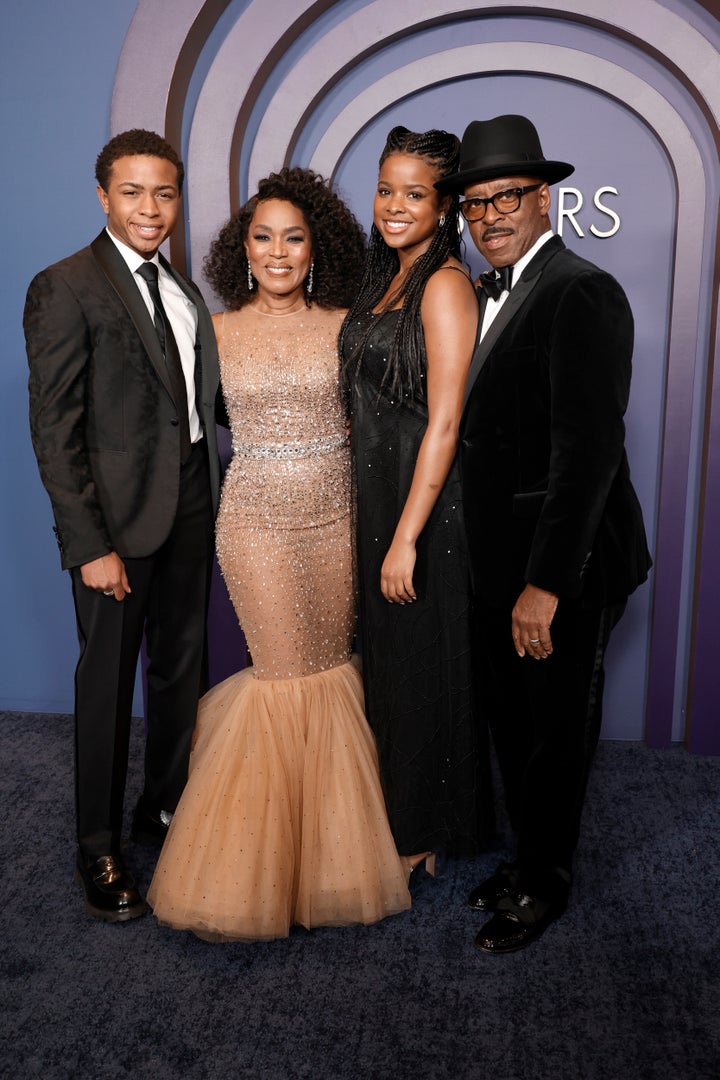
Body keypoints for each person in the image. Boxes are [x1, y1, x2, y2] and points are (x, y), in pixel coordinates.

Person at [147, 167, 411, 941]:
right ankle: (259, 875)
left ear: (317, 247)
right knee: (284, 674)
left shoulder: (346, 326)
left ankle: (327, 864)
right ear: (242, 249)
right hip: (256, 520)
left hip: (336, 518)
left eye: (293, 237)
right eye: (262, 237)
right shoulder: (214, 332)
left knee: (331, 668)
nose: (277, 252)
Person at [435, 114, 652, 952]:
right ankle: (527, 860)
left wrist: (547, 584)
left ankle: (546, 883)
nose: (490, 216)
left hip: (566, 565)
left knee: (556, 734)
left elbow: (588, 453)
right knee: (513, 725)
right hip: (496, 562)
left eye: (508, 198)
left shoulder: (579, 290)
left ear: (546, 199)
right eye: (476, 203)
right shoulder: (487, 291)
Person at [24, 129, 222, 922]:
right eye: (133, 192)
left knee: (182, 672)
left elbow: (193, 402)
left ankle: (163, 806)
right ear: (102, 195)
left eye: (164, 193)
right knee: (106, 684)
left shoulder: (181, 288)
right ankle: (98, 848)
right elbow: (55, 429)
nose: (151, 208)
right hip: (114, 531)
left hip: (191, 512)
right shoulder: (65, 285)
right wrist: (90, 546)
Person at [339, 127, 491, 873]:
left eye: (415, 194)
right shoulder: (383, 279)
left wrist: (406, 538)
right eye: (386, 188)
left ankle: (426, 829)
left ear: (445, 206)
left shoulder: (446, 284)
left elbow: (447, 420)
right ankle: (400, 810)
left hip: (423, 508)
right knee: (391, 666)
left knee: (424, 662)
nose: (395, 206)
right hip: (375, 494)